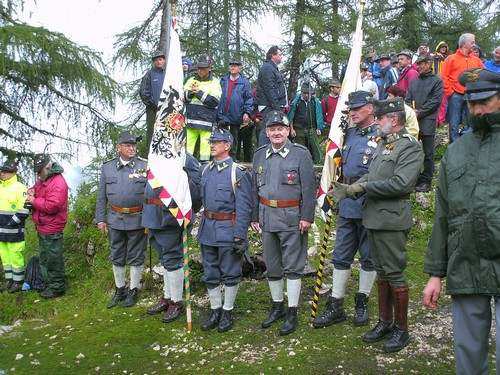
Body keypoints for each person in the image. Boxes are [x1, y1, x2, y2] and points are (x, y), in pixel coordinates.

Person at [422, 69, 500, 375]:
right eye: (472, 103)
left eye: (487, 101)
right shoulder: (455, 153)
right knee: (467, 358)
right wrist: (434, 274)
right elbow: (442, 215)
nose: (478, 109)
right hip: (466, 262)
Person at [331, 97, 423, 353]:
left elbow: (401, 183)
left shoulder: (409, 148)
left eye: (381, 118)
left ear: (393, 120)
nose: (378, 123)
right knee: (382, 272)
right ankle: (385, 322)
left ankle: (401, 330)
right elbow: (373, 174)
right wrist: (351, 189)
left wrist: (363, 186)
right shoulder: (386, 145)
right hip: (375, 217)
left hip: (391, 220)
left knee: (394, 273)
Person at [312, 91, 378, 330]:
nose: (352, 112)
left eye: (358, 108)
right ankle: (336, 304)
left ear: (370, 108)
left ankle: (362, 301)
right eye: (350, 108)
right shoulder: (346, 134)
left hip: (371, 201)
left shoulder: (382, 136)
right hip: (346, 201)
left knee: (369, 257)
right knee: (341, 255)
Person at [251, 110, 316, 336]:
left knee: (293, 266)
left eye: (281, 129)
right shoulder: (259, 155)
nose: (277, 132)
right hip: (267, 217)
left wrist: (307, 216)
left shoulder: (300, 154)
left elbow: (309, 188)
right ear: (267, 133)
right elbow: (253, 189)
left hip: (292, 218)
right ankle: (277, 306)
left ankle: (292, 311)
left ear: (288, 131)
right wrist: (253, 216)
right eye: (272, 129)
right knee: (272, 264)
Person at [198, 128, 252, 332]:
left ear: (227, 146)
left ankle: (227, 311)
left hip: (228, 229)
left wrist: (240, 234)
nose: (212, 145)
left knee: (230, 272)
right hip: (207, 230)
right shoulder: (205, 170)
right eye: (211, 141)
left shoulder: (236, 172)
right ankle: (215, 310)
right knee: (210, 272)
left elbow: (244, 206)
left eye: (216, 142)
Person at [143, 153, 201, 323]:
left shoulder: (184, 158)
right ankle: (167, 297)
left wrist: (183, 212)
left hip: (171, 217)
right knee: (165, 259)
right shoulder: (155, 156)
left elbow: (195, 190)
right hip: (153, 216)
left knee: (173, 258)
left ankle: (176, 301)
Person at [95, 132, 148, 308]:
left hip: (138, 219)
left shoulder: (144, 166)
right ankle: (120, 290)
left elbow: (151, 195)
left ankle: (133, 290)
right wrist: (100, 219)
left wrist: (150, 219)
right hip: (115, 219)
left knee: (136, 255)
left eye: (133, 145)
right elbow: (101, 196)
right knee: (116, 255)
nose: (132, 148)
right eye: (127, 145)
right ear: (119, 148)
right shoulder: (107, 168)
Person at [27, 154, 69, 299]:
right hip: (43, 225)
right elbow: (38, 187)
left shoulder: (58, 182)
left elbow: (52, 206)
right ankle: (49, 283)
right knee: (45, 257)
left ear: (48, 166)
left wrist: (33, 200)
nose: (38, 175)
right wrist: (32, 190)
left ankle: (57, 287)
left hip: (52, 227)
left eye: (40, 171)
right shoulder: (45, 178)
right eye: (36, 172)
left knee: (53, 258)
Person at [406, 54, 444, 192]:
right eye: (418, 64)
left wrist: (419, 112)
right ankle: (412, 178)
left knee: (428, 153)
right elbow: (408, 99)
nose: (419, 66)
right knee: (411, 151)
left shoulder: (437, 81)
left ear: (429, 64)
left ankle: (426, 180)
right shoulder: (414, 81)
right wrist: (411, 112)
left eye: (422, 63)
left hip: (427, 120)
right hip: (412, 121)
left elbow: (435, 101)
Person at [441, 33, 484, 142]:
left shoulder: (477, 60)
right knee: (454, 122)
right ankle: (454, 147)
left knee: (471, 121)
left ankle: (468, 145)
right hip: (455, 95)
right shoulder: (451, 59)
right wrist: (450, 92)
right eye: (472, 42)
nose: (474, 45)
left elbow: (484, 74)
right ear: (464, 44)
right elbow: (443, 77)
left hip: (472, 96)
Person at [184, 55, 222, 161]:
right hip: (190, 123)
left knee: (205, 154)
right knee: (187, 152)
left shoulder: (215, 82)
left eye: (203, 68)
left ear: (209, 68)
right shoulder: (191, 80)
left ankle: (204, 172)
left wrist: (199, 93)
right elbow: (183, 98)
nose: (200, 70)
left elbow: (214, 102)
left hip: (206, 124)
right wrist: (191, 93)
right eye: (199, 68)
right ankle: (187, 173)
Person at [217, 58, 254, 161]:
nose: (232, 67)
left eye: (235, 65)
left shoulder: (245, 82)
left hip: (236, 114)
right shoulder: (223, 80)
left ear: (240, 68)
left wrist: (247, 112)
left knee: (234, 138)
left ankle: (231, 159)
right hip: (222, 114)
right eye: (231, 65)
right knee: (221, 137)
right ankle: (220, 157)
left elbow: (249, 98)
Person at [0, 158, 28, 293]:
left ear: (12, 173)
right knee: (5, 258)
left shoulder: (20, 188)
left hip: (14, 230)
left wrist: (12, 222)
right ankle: (9, 281)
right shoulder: (0, 187)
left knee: (16, 257)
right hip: (1, 231)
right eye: (2, 171)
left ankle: (18, 282)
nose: (2, 173)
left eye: (5, 172)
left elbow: (25, 209)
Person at [255, 46, 287, 146]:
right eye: (279, 54)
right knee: (268, 130)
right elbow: (269, 89)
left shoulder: (273, 68)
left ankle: (271, 156)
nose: (281, 57)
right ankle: (262, 156)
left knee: (272, 130)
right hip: (269, 106)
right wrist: (277, 107)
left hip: (272, 106)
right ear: (272, 55)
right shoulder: (267, 68)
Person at [288, 82, 324, 163]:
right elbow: (291, 116)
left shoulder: (314, 102)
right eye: (305, 93)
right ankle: (301, 164)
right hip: (298, 129)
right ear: (301, 93)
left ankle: (318, 163)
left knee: (316, 150)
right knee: (300, 150)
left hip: (311, 129)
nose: (307, 95)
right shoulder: (296, 102)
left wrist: (319, 127)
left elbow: (318, 115)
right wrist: (292, 129)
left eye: (308, 93)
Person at [140, 51, 166, 151]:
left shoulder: (168, 74)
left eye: (160, 59)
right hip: (153, 110)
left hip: (167, 110)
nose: (158, 62)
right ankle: (150, 155)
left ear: (164, 60)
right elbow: (143, 92)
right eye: (156, 60)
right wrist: (153, 105)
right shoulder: (149, 74)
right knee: (152, 133)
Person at [433, 41, 450, 126]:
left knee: (443, 102)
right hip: (434, 82)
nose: (443, 49)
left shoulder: (448, 58)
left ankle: (441, 120)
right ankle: (435, 120)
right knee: (435, 101)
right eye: (442, 47)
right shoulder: (433, 57)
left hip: (444, 82)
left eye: (445, 47)